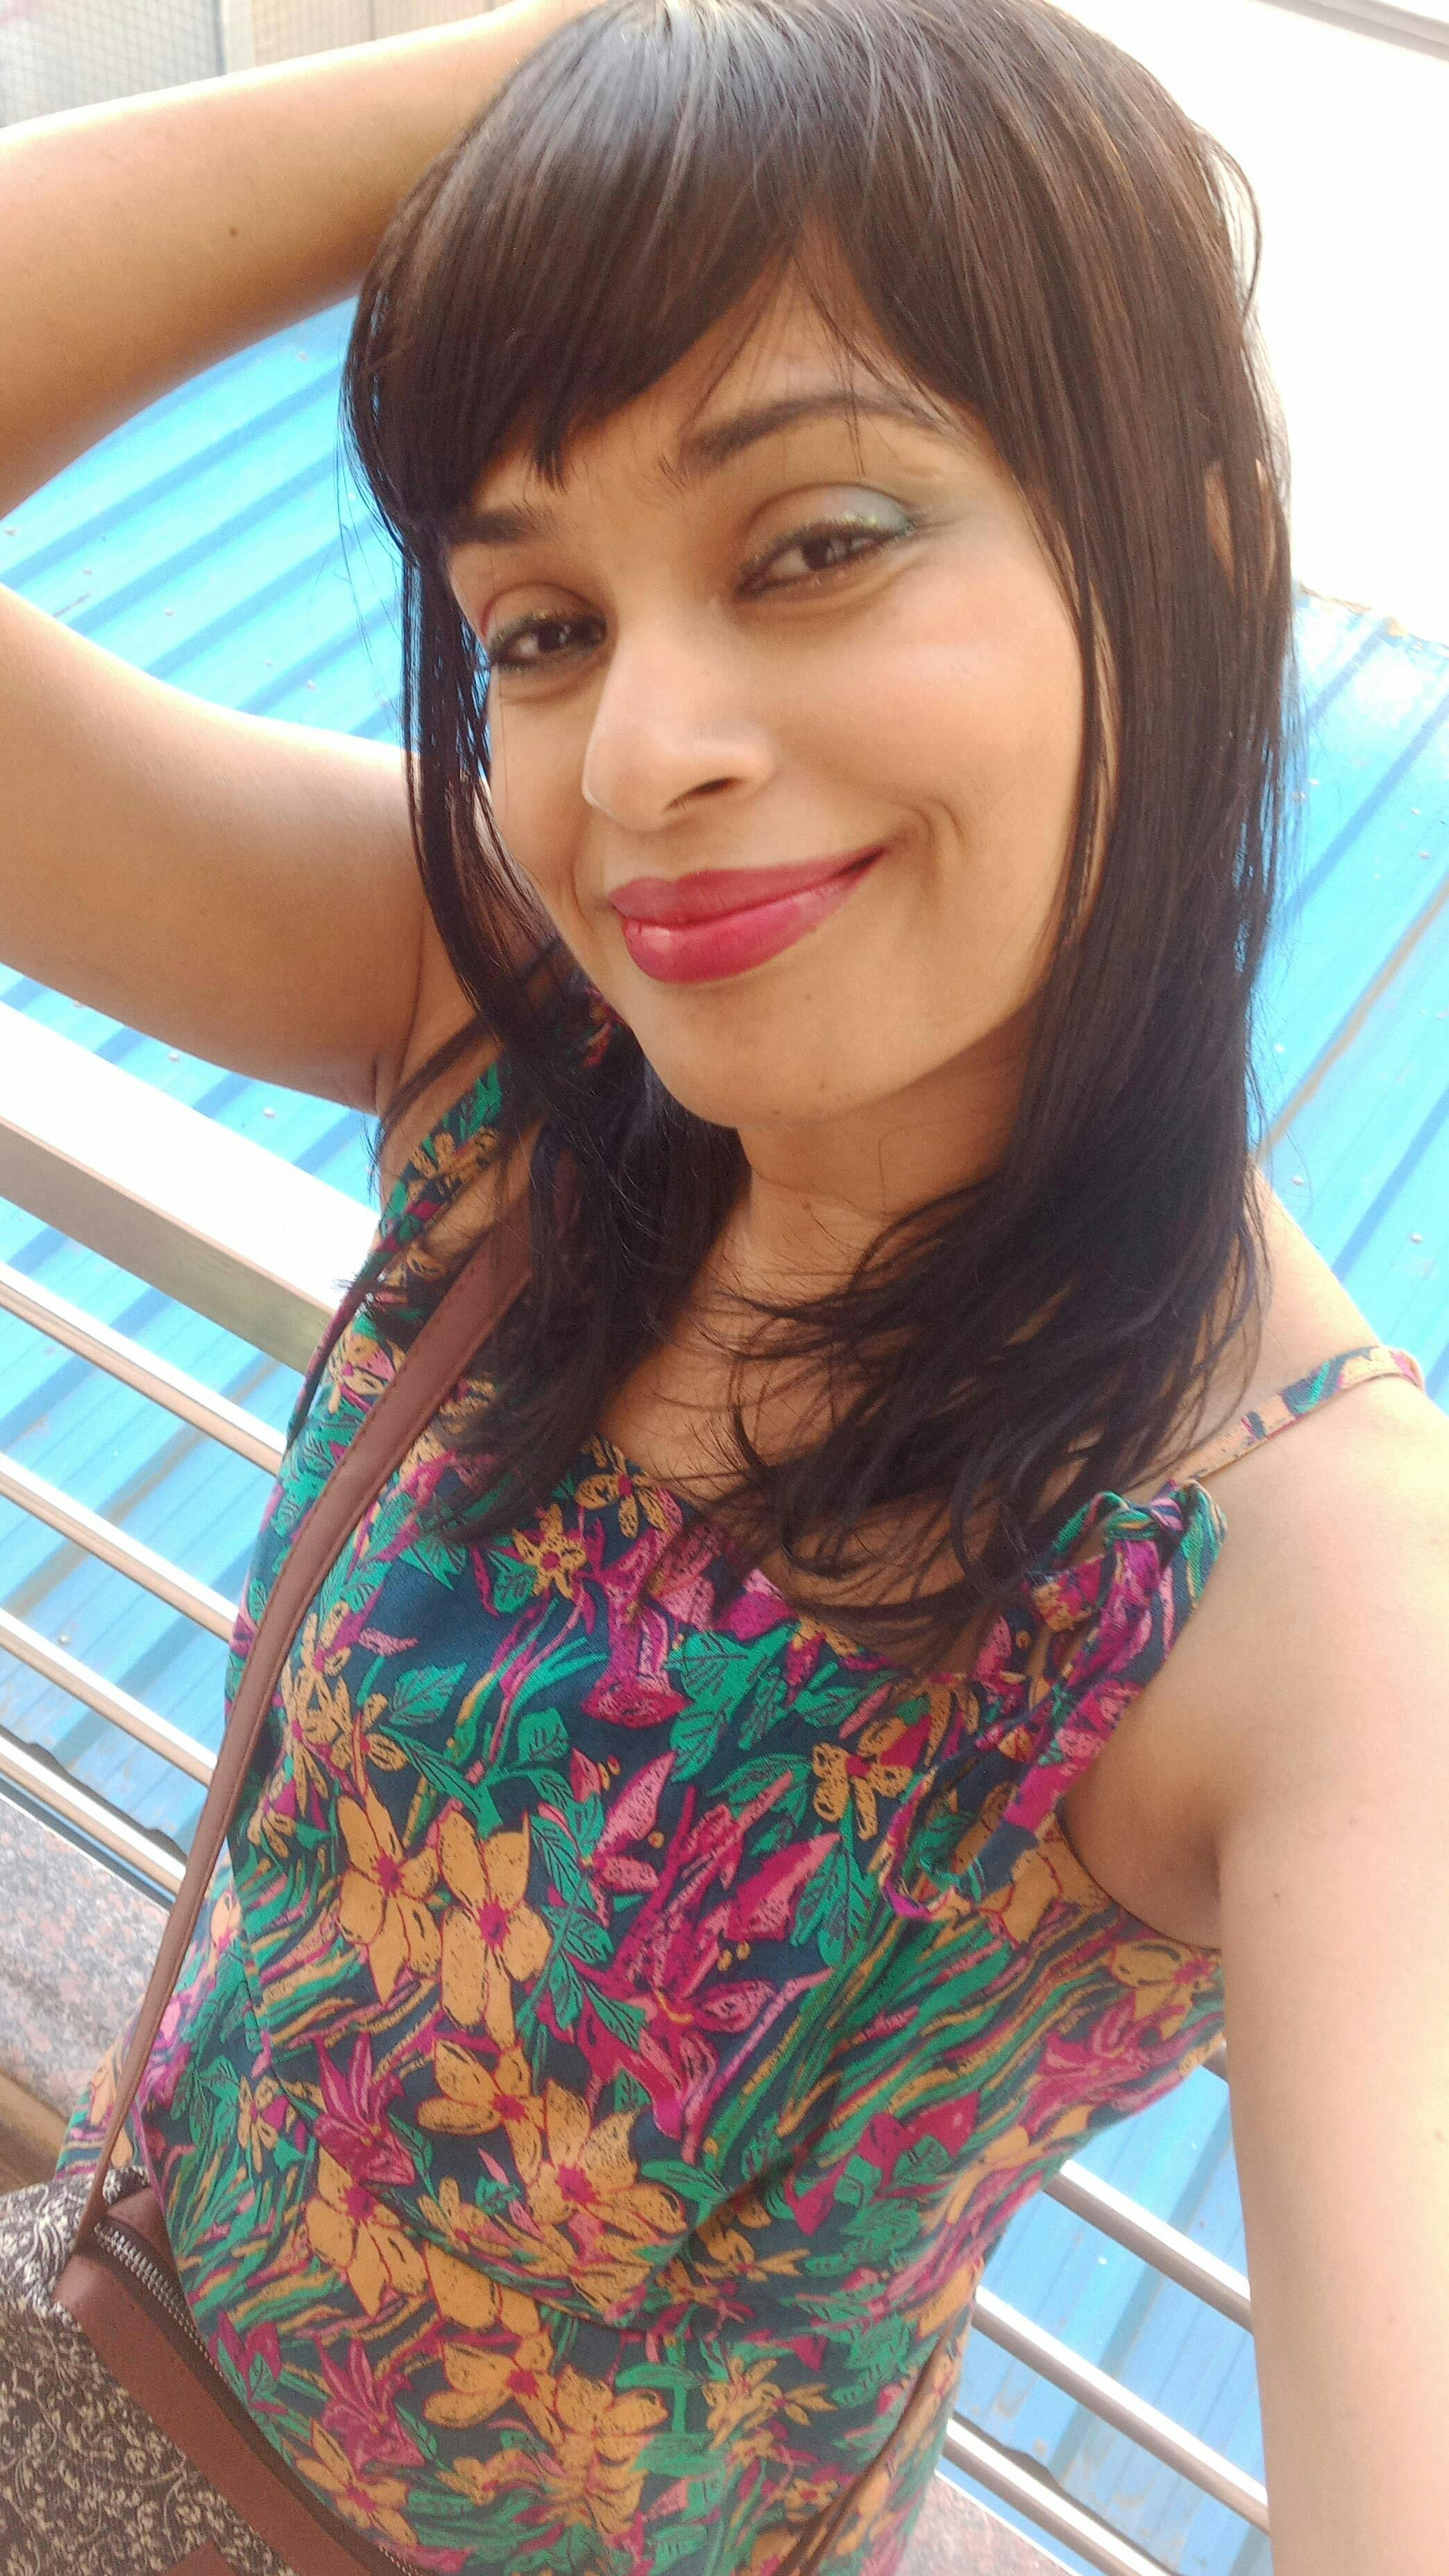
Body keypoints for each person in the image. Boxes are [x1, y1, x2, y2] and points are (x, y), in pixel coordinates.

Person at [0, 1, 1444, 2570]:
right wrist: (614, 54)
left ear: (1201, 555)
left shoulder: (1308, 1588)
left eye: (814, 544)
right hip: (101, 2389)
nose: (645, 750)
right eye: (537, 625)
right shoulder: (512, 1032)